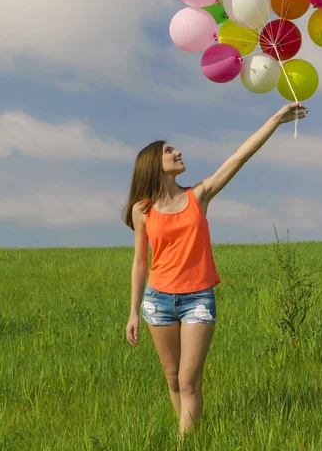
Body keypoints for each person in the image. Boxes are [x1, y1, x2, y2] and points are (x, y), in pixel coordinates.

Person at [123, 102, 307, 437]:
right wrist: (133, 311)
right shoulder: (143, 210)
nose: (178, 152)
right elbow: (140, 262)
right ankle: (191, 436)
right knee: (173, 379)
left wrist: (276, 120)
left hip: (197, 299)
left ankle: (184, 444)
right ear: (154, 164)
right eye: (169, 150)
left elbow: (238, 157)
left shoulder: (200, 195)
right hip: (158, 302)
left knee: (189, 381)